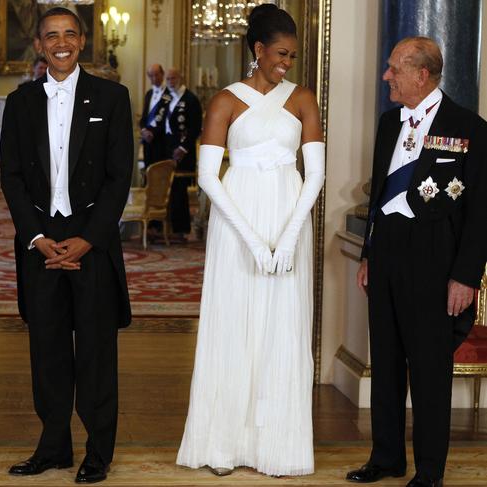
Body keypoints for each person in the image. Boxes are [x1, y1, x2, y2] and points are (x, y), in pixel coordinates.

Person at [176, 4, 325, 477]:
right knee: (233, 322)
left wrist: (288, 237)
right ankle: (224, 442)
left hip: (288, 217)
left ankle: (276, 446)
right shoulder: (225, 100)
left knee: (282, 326)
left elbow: (315, 174)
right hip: (236, 222)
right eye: (280, 54)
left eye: (294, 55)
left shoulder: (302, 98)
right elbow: (207, 177)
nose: (287, 63)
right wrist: (256, 244)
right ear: (258, 50)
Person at [0, 7, 133, 484]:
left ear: (82, 41)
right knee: (48, 350)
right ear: (39, 44)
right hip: (39, 241)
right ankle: (54, 446)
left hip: (91, 243)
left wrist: (89, 239)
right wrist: (36, 238)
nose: (61, 43)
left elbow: (121, 176)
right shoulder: (19, 103)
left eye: (70, 35)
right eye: (51, 36)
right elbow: (11, 176)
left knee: (97, 351)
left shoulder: (112, 97)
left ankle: (98, 452)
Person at [347, 37, 487, 487]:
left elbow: (480, 211)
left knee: (428, 367)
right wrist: (369, 253)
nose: (387, 76)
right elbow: (380, 200)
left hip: (435, 260)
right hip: (387, 253)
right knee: (385, 360)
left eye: (394, 69)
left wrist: (466, 276)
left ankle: (429, 471)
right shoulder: (390, 123)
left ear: (421, 75)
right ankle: (387, 457)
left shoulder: (469, 127)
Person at [164, 67, 202, 238]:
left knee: (180, 190)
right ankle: (168, 228)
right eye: (168, 79)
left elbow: (195, 128)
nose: (170, 82)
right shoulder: (166, 97)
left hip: (183, 151)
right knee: (167, 190)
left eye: (173, 78)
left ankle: (181, 229)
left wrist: (183, 148)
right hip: (167, 148)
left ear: (180, 78)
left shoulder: (191, 99)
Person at [139, 63, 170, 167]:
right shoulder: (149, 94)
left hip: (162, 141)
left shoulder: (169, 94)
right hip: (148, 142)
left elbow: (168, 119)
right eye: (151, 76)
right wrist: (143, 131)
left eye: (157, 75)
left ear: (162, 74)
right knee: (148, 172)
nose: (154, 78)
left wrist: (153, 133)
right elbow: (144, 117)